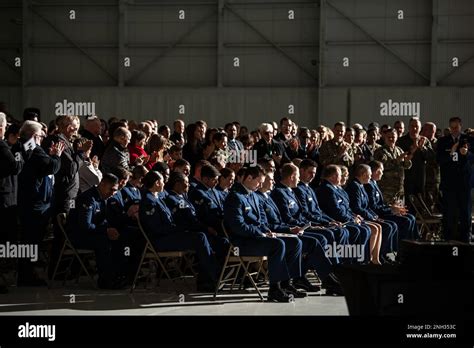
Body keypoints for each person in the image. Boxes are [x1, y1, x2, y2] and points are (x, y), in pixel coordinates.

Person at [224, 165, 305, 302]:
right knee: (277, 245)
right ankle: (275, 289)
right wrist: (261, 233)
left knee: (294, 242)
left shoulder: (254, 196)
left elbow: (262, 222)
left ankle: (287, 284)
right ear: (249, 178)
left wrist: (267, 231)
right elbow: (238, 227)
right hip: (241, 243)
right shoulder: (235, 197)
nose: (261, 185)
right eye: (259, 181)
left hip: (256, 238)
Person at [257, 170, 343, 295]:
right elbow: (270, 223)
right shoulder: (267, 196)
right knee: (310, 241)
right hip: (275, 233)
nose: (274, 182)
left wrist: (307, 226)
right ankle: (315, 279)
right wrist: (290, 229)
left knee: (318, 240)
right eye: (270, 180)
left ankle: (323, 278)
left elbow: (286, 219)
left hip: (285, 229)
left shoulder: (268, 196)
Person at [139, 171, 218, 291]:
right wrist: (181, 229)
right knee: (199, 237)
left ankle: (208, 278)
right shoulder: (149, 201)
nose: (165, 184)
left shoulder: (157, 197)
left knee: (202, 236)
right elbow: (156, 229)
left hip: (169, 235)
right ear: (156, 183)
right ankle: (210, 278)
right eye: (162, 182)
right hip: (160, 241)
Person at [16, 120, 64, 286]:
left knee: (29, 240)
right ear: (36, 136)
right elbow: (51, 167)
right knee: (32, 240)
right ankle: (27, 276)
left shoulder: (23, 146)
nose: (44, 138)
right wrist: (56, 156)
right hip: (34, 203)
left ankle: (26, 274)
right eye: (42, 136)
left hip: (26, 200)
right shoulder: (33, 149)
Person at [68, 173, 126, 289]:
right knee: (104, 242)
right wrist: (106, 231)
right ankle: (105, 280)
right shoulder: (89, 198)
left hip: (93, 233)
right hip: (79, 236)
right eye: (112, 189)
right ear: (102, 184)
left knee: (121, 239)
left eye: (115, 191)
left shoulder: (103, 198)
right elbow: (85, 225)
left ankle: (118, 275)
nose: (113, 193)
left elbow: (102, 221)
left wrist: (111, 230)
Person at [316, 165, 372, 263]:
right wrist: (351, 220)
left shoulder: (336, 189)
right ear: (333, 176)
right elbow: (335, 211)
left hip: (342, 218)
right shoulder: (327, 189)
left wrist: (354, 216)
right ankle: (348, 261)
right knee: (356, 230)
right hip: (336, 219)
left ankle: (360, 260)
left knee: (365, 229)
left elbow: (346, 208)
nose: (342, 178)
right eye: (340, 175)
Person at [345, 164, 398, 264]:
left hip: (365, 215)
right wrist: (372, 217)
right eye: (369, 175)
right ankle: (370, 258)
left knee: (381, 226)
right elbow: (357, 208)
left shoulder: (361, 185)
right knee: (380, 227)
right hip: (358, 217)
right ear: (363, 174)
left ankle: (376, 258)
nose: (370, 177)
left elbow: (367, 206)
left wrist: (374, 216)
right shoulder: (354, 186)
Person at [365, 160, 418, 247]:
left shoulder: (374, 183)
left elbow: (380, 204)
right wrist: (391, 210)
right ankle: (402, 249)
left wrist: (392, 207)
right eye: (380, 171)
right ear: (375, 171)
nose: (382, 173)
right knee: (406, 221)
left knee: (411, 217)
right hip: (378, 215)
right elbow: (374, 207)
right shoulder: (369, 186)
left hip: (383, 211)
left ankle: (413, 244)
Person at [436, 117, 473, 242]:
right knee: (450, 214)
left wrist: (466, 153)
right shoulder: (443, 141)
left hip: (464, 183)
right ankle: (449, 240)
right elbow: (439, 160)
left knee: (465, 213)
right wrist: (451, 154)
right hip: (449, 184)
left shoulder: (469, 140)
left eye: (456, 127)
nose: (454, 130)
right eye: (452, 128)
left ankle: (465, 239)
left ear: (461, 126)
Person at [396, 117, 436, 204]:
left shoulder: (424, 141)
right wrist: (411, 151)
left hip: (420, 175)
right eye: (412, 126)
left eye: (416, 126)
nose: (414, 129)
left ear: (420, 128)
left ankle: (419, 215)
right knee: (407, 200)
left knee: (419, 198)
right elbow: (398, 158)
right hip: (406, 175)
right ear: (408, 127)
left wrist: (422, 148)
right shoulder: (401, 141)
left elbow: (431, 157)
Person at [374, 128, 412, 204]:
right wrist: (397, 160)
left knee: (400, 211)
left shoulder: (399, 150)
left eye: (393, 137)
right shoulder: (380, 151)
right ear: (385, 138)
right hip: (386, 188)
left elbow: (407, 166)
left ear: (397, 137)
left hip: (399, 189)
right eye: (389, 137)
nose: (391, 139)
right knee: (388, 211)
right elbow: (382, 166)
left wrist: (407, 161)